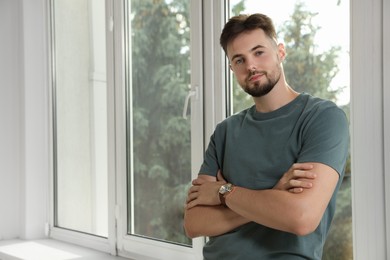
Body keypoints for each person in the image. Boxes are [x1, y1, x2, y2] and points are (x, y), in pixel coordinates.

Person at [183, 13, 349, 260]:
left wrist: (223, 193)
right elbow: (194, 223)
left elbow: (301, 218)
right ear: (232, 68)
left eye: (259, 52)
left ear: (280, 52)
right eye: (239, 60)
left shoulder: (322, 118)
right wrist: (273, 194)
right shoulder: (225, 132)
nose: (250, 65)